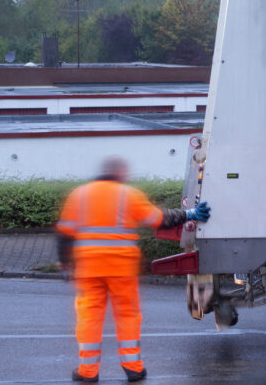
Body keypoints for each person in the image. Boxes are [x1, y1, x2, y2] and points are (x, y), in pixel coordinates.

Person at [55, 155, 211, 383]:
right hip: (121, 268)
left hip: (88, 268)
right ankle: (133, 368)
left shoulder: (79, 195)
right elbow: (158, 219)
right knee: (127, 315)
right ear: (120, 174)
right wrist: (189, 214)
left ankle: (87, 372)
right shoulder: (127, 195)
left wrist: (63, 260)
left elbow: (64, 233)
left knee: (88, 316)